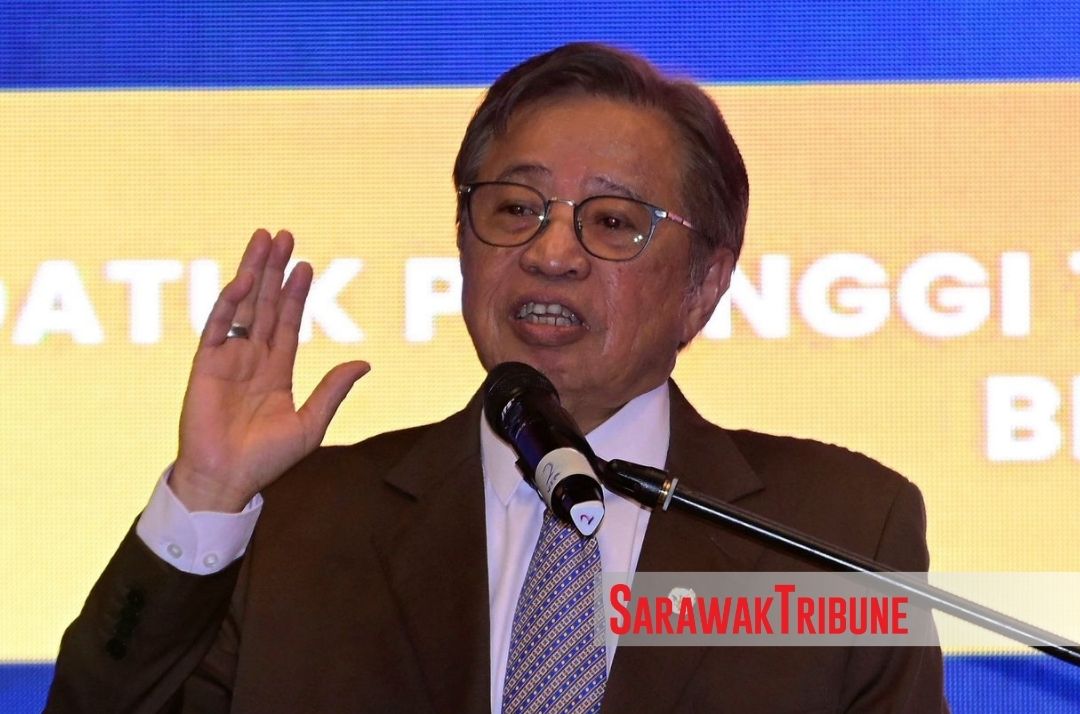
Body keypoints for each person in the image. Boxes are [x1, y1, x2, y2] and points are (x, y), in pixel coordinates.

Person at [46, 42, 948, 712]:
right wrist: (206, 497)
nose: (551, 253)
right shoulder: (302, 523)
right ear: (463, 244)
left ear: (705, 284)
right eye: (515, 208)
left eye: (612, 221)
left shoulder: (833, 534)